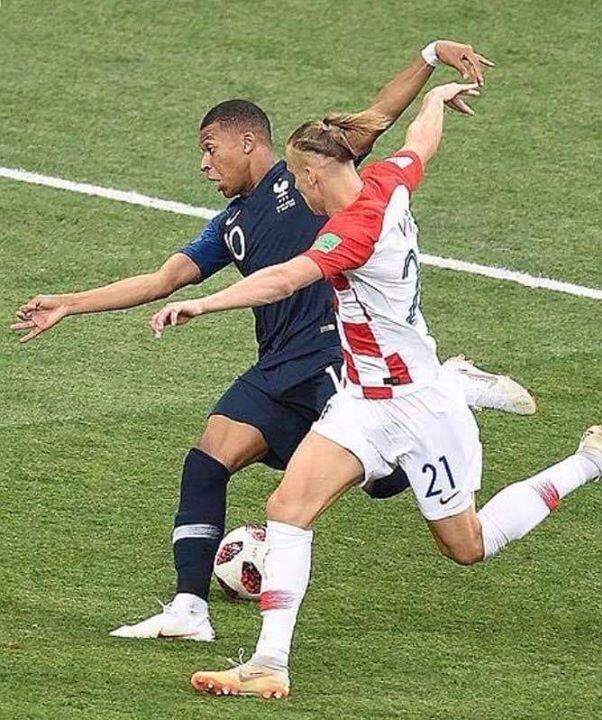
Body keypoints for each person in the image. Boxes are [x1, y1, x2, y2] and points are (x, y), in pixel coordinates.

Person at [149, 79, 602, 699]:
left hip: (419, 408)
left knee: (467, 546)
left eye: (299, 181)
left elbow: (282, 280)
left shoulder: (352, 232)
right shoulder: (388, 180)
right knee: (287, 509)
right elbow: (420, 143)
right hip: (361, 403)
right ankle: (267, 663)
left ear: (313, 175)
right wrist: (436, 99)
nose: (297, 192)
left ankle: (590, 461)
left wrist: (204, 305)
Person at [11, 40, 533, 644]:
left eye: (210, 148)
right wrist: (70, 303)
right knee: (208, 459)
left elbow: (382, 116)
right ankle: (189, 608)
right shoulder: (229, 226)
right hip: (279, 367)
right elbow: (162, 279)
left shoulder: (311, 173)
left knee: (389, 484)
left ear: (247, 142)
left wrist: (430, 55)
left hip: (337, 361)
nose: (204, 164)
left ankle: (446, 386)